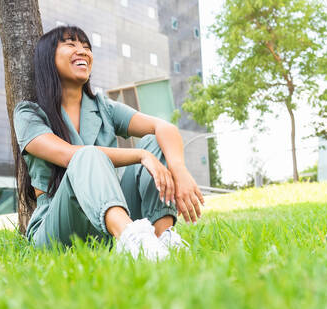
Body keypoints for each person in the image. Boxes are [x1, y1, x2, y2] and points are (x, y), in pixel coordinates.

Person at [13, 25, 204, 260]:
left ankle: (160, 238)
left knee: (155, 141)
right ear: (47, 58)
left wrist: (178, 168)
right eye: (71, 44)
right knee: (87, 155)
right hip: (58, 228)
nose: (82, 51)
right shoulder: (29, 113)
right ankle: (132, 240)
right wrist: (141, 156)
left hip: (106, 225)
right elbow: (70, 155)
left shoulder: (103, 107)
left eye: (86, 47)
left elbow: (164, 127)